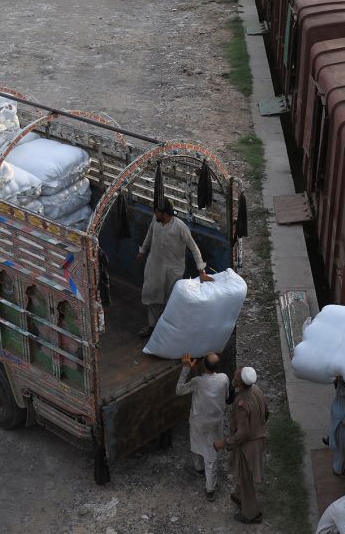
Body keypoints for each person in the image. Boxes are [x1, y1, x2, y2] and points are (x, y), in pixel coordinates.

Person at [136, 197, 212, 337]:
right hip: (155, 266)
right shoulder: (155, 220)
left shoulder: (180, 227)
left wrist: (201, 270)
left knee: (171, 300)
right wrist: (142, 251)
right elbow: (149, 235)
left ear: (164, 213)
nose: (155, 214)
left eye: (157, 212)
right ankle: (152, 326)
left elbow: (194, 248)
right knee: (153, 297)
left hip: (173, 270)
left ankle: (168, 330)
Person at [213, 366, 268, 524]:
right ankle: (239, 496)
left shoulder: (241, 404)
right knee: (242, 472)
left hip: (248, 446)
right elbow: (267, 412)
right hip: (257, 439)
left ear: (241, 383)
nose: (235, 373)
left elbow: (242, 434)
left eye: (237, 374)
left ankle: (251, 514)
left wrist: (224, 442)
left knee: (246, 478)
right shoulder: (256, 389)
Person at [176, 352, 229, 502]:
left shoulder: (197, 382)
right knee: (211, 456)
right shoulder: (224, 379)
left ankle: (198, 468)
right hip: (215, 423)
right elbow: (224, 396)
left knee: (196, 444)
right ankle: (210, 489)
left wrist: (186, 368)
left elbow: (179, 390)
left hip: (198, 422)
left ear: (203, 365)